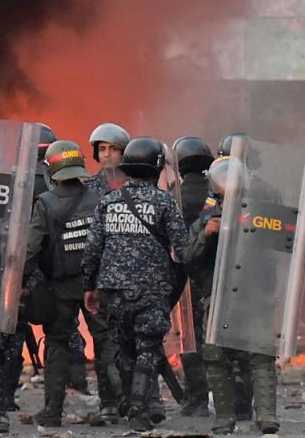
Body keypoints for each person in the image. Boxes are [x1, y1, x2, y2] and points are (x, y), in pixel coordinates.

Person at [82, 137, 188, 431]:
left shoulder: (108, 202)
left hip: (113, 292)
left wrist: (90, 287)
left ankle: (135, 404)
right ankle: (140, 408)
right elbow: (183, 249)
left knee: (125, 350)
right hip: (151, 290)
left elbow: (92, 250)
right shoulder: (165, 202)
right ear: (156, 168)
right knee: (147, 348)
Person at [184, 157, 280, 435]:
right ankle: (224, 418)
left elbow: (284, 243)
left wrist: (255, 226)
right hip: (217, 297)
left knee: (261, 355)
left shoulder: (260, 210)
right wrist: (206, 234)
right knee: (216, 358)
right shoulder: (206, 216)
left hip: (254, 294)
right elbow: (186, 255)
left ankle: (267, 415)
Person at [22, 140, 113, 426]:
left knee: (57, 345)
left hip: (60, 287)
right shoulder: (99, 199)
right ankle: (116, 405)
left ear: (52, 170)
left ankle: (52, 412)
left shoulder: (45, 204)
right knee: (106, 342)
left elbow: (32, 248)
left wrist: (20, 281)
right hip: (95, 286)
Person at [171, 136, 215, 417]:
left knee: (189, 338)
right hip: (216, 275)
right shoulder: (220, 195)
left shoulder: (175, 197)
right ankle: (234, 400)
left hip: (184, 277)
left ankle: (197, 399)